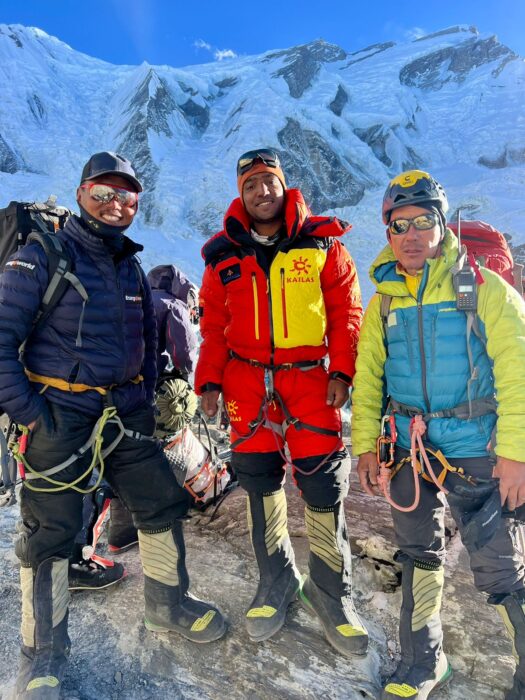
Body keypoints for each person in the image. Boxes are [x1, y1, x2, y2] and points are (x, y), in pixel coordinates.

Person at [0, 151, 226, 699]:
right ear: (80, 195)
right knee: (50, 534)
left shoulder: (127, 262)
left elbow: (147, 340)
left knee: (160, 503)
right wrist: (31, 412)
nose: (116, 203)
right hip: (61, 414)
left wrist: (145, 394)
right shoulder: (43, 254)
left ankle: (168, 603)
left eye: (127, 195)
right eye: (103, 192)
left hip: (125, 414)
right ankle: (42, 656)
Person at [351, 169, 525, 699]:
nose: (409, 234)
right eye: (397, 224)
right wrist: (364, 446)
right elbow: (369, 378)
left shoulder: (484, 288)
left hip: (478, 447)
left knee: (500, 563)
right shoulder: (383, 301)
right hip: (408, 449)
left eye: (421, 221)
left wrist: (516, 454)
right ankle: (426, 661)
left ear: (441, 224)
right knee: (417, 552)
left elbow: (518, 368)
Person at [195, 148, 368, 656]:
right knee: (258, 484)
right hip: (245, 383)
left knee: (323, 485)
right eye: (251, 184)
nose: (261, 192)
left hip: (311, 380)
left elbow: (346, 311)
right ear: (240, 193)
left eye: (269, 181)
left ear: (283, 185)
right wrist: (208, 381)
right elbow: (212, 326)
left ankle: (333, 595)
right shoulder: (222, 255)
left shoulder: (322, 243)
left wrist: (343, 369)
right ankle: (276, 581)